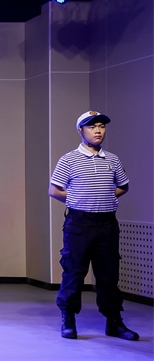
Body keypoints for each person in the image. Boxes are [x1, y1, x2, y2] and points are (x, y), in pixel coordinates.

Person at [49, 111, 139, 341]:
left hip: (107, 223)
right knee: (74, 272)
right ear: (80, 130)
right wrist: (79, 200)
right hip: (80, 223)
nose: (98, 130)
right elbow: (54, 190)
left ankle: (114, 322)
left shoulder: (113, 159)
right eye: (91, 127)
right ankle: (68, 319)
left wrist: (105, 197)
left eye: (101, 126)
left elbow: (123, 186)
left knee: (109, 274)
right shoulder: (68, 159)